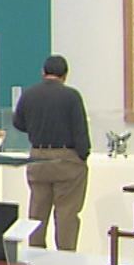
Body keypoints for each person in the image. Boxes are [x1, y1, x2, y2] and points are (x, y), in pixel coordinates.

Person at [12, 54, 91, 250]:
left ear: (43, 72)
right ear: (65, 74)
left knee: (37, 211)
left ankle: (36, 253)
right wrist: (83, 154)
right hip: (66, 159)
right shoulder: (71, 96)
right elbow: (80, 130)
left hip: (37, 157)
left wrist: (36, 130)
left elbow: (18, 122)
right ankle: (65, 255)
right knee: (66, 213)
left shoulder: (29, 94)